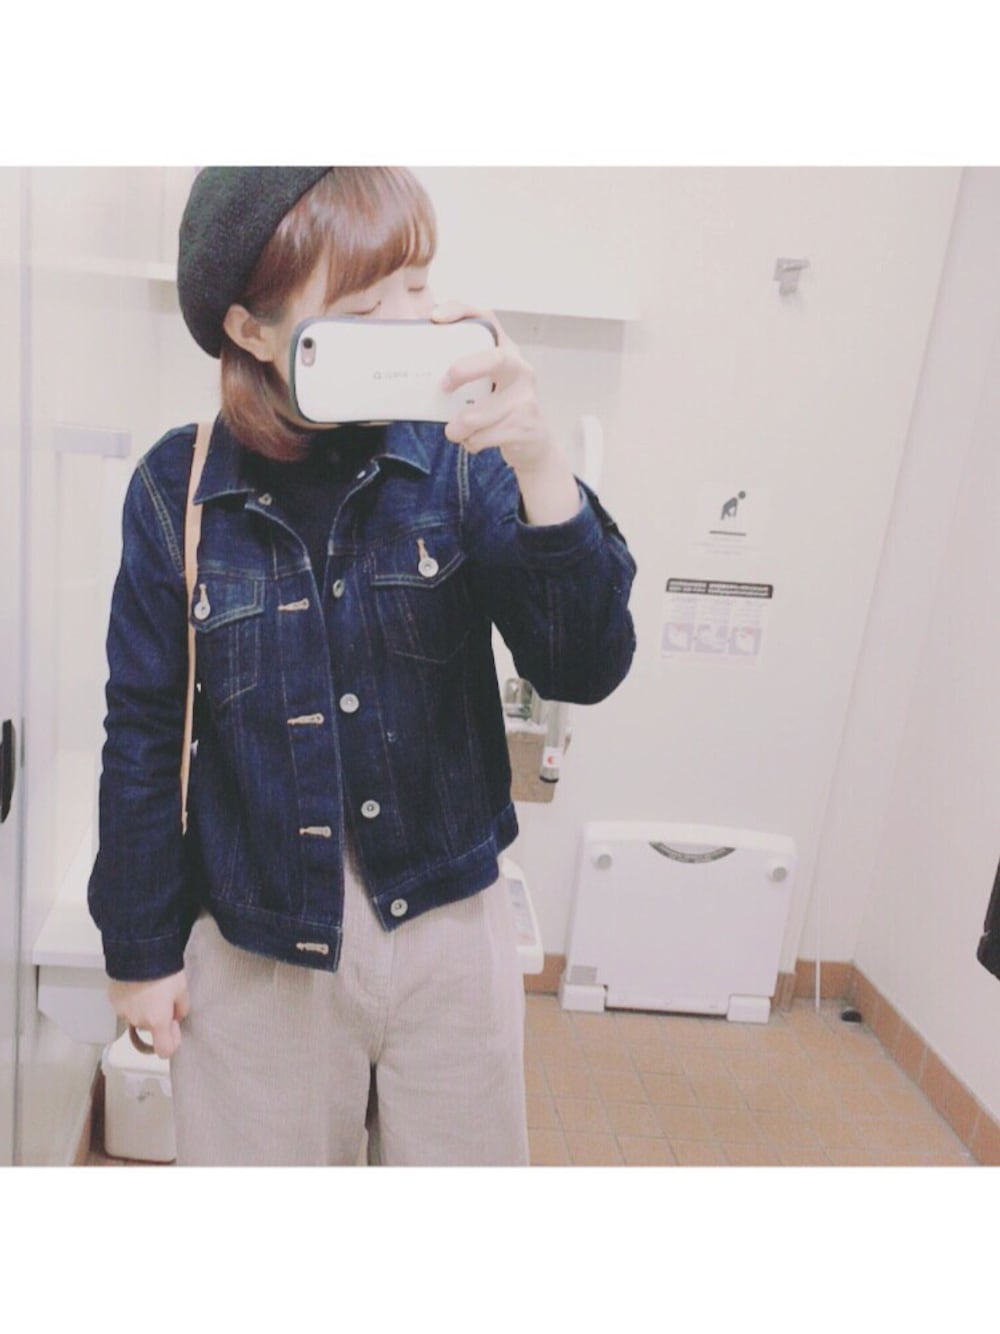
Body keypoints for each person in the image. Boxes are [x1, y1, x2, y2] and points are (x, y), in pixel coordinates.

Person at [87, 166, 638, 1166]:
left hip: (448, 927)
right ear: (253, 329)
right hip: (256, 943)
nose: (407, 326)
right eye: (364, 307)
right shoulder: (178, 484)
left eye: (417, 289)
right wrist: (139, 950)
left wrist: (540, 459)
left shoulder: (464, 453)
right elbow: (143, 730)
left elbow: (583, 664)